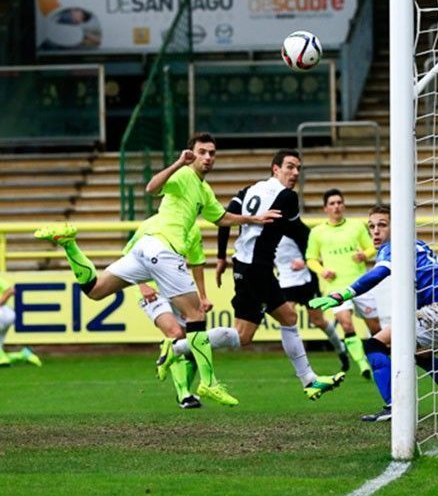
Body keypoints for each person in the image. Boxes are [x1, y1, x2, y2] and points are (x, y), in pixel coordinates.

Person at [34, 132, 279, 406]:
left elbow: (221, 217)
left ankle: (69, 245)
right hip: (162, 250)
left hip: (145, 249)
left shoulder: (203, 189)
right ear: (191, 153)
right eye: (202, 152)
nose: (208, 157)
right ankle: (208, 383)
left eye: (212, 153)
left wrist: (253, 219)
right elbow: (152, 187)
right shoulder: (184, 175)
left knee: (95, 290)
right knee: (196, 314)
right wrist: (177, 163)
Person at [310, 205, 438, 422]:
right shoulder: (419, 245)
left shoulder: (393, 247)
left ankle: (394, 406)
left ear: (397, 227)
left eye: (382, 225)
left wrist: (342, 295)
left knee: (374, 346)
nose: (375, 231)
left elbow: (378, 274)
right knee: (421, 356)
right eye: (371, 226)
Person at [216, 149, 344, 401]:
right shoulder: (287, 197)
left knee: (243, 335)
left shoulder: (248, 190)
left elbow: (224, 219)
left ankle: (180, 346)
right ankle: (309, 380)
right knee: (288, 316)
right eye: (290, 167)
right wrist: (316, 251)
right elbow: (296, 230)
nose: (295, 172)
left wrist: (221, 256)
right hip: (258, 268)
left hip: (241, 264)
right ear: (275, 168)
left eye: (298, 168)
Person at [129, 217, 239, 409]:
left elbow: (197, 263)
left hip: (177, 288)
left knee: (194, 341)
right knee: (175, 334)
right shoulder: (151, 224)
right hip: (153, 291)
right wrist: (142, 284)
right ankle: (184, 395)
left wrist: (203, 296)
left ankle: (186, 394)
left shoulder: (192, 229)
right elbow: (131, 254)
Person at [306, 189, 382, 379]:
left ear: (344, 205)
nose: (336, 206)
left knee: (376, 329)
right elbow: (310, 258)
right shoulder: (317, 232)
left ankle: (383, 361)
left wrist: (365, 255)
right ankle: (363, 364)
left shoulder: (356, 226)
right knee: (347, 325)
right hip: (336, 287)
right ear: (325, 208)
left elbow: (372, 245)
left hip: (361, 285)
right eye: (332, 203)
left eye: (339, 202)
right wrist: (322, 271)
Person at [275, 232, 349, 372]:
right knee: (288, 321)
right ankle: (302, 366)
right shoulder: (265, 232)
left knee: (318, 321)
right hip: (285, 283)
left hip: (306, 282)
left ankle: (340, 349)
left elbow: (313, 252)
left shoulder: (296, 230)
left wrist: (304, 261)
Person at [0, 277, 42, 368]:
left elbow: (10, 290)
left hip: (2, 314)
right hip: (5, 315)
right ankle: (24, 355)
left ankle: (3, 359)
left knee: (1, 357)